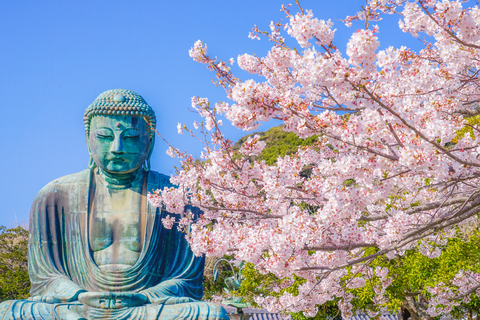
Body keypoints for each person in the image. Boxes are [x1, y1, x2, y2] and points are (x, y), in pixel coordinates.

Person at [0, 89, 228, 320]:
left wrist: (145, 296)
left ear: (150, 141)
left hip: (147, 307)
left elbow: (186, 279)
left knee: (211, 314)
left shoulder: (179, 197)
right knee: (8, 312)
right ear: (89, 140)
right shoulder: (54, 197)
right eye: (104, 136)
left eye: (130, 137)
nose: (117, 147)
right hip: (78, 306)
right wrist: (79, 295)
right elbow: (46, 277)